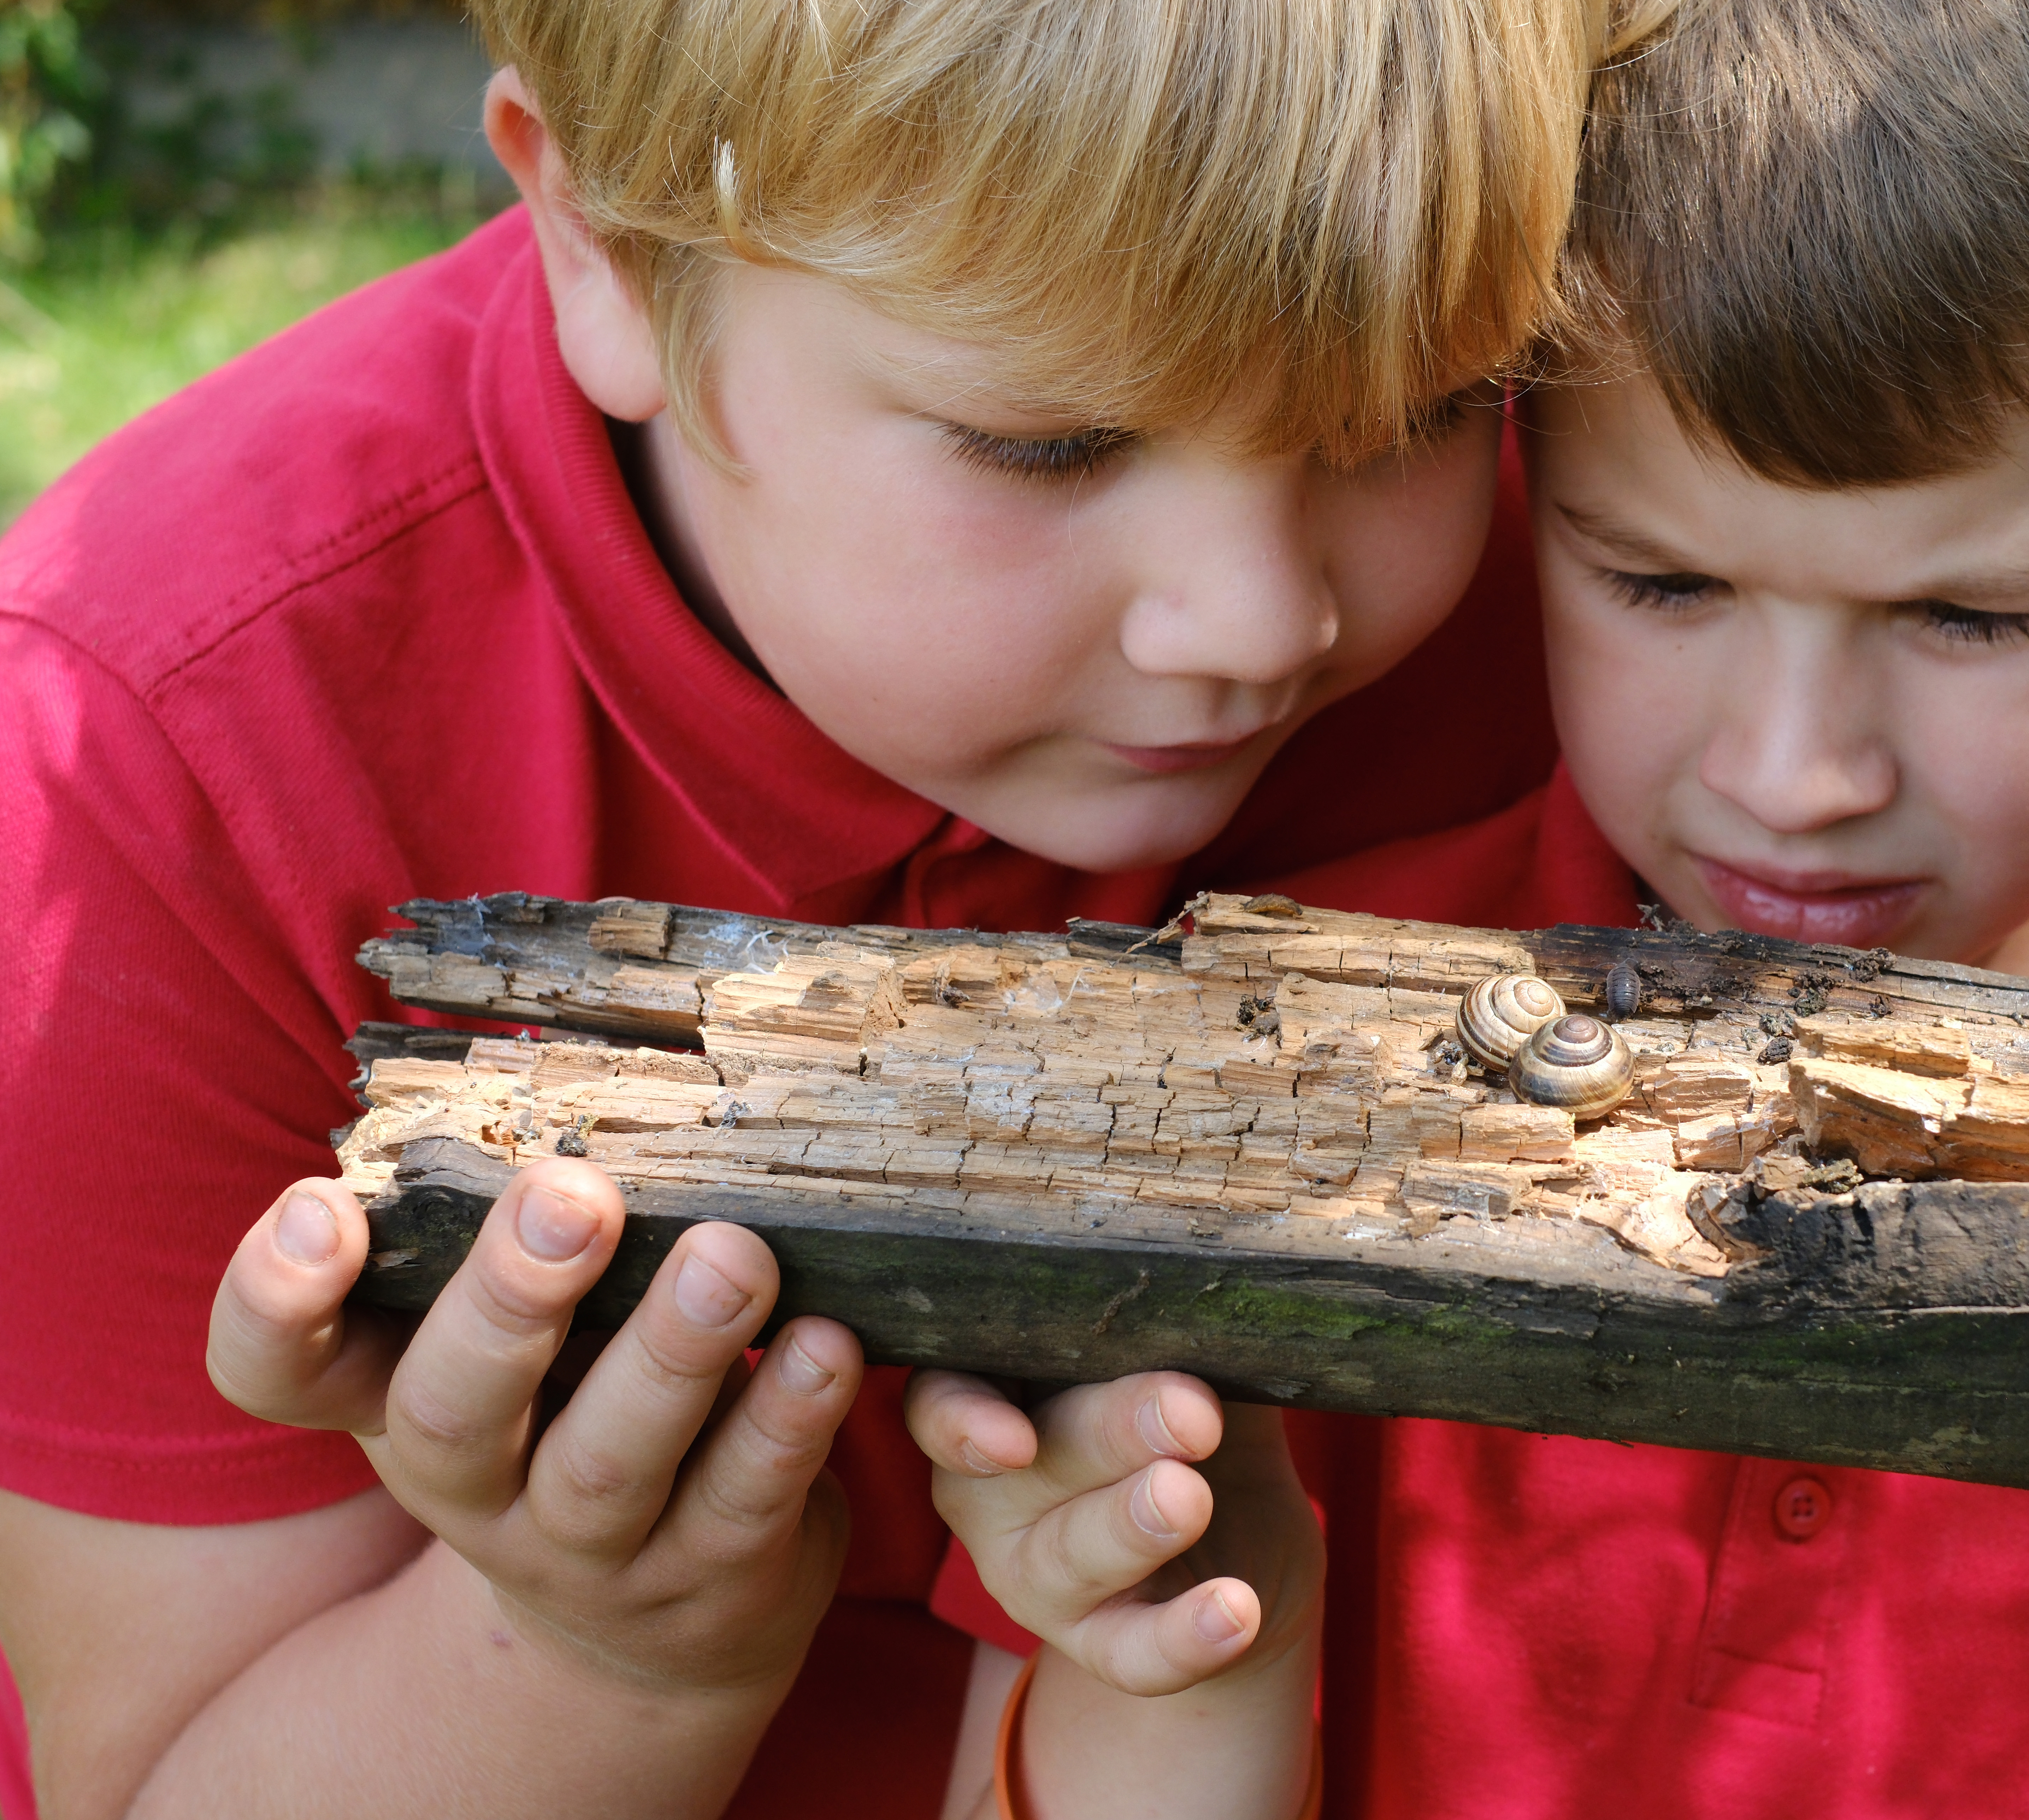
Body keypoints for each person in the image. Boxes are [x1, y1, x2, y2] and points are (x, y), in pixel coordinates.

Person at [912, 1, 2029, 1816]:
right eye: (1664, 577)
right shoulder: (1242, 1072)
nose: (1795, 773)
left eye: (1973, 617)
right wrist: (1198, 1657)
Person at [0, 0, 1666, 1812]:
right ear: (610, 254)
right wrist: (602, 1650)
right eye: (1054, 444)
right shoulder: (160, 770)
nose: (1260, 618)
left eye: (1423, 408)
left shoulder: (1624, 557)